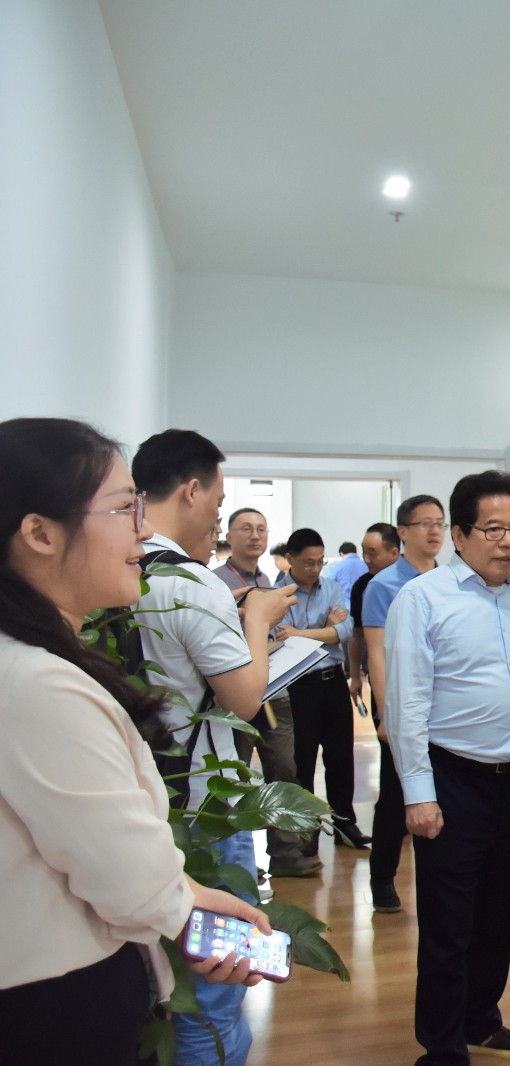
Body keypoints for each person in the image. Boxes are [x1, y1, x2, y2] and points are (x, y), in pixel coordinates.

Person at [0, 418, 275, 1065]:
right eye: (124, 509)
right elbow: (119, 872)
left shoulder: (34, 662)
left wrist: (186, 896)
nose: (143, 531)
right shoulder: (38, 684)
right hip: (54, 1001)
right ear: (40, 533)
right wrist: (180, 906)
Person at [387, 470, 510, 1064]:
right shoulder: (423, 599)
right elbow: (406, 703)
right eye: (493, 529)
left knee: (506, 913)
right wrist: (418, 793)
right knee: (448, 922)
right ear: (459, 535)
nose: (508, 542)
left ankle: (480, 1019)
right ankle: (441, 1047)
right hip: (451, 778)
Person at [133, 428, 297, 1066]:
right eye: (220, 500)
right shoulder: (192, 583)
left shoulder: (125, 574)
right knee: (213, 993)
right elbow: (246, 699)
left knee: (168, 988)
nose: (219, 516)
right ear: (193, 490)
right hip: (205, 804)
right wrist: (255, 619)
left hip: (148, 797)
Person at [214, 507, 314, 877]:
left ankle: (286, 853)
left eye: (261, 529)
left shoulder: (268, 579)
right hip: (236, 690)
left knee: (284, 770)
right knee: (234, 775)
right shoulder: (217, 582)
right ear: (230, 535)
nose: (255, 536)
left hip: (275, 690)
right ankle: (237, 859)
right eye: (246, 528)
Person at [363, 495, 447, 914]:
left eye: (440, 523)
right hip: (402, 706)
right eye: (424, 523)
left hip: (442, 708)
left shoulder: (450, 580)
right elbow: (377, 656)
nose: (434, 531)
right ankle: (382, 877)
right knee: (396, 797)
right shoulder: (383, 586)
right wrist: (387, 714)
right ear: (403, 532)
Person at [278, 527, 366, 850]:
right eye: (308, 563)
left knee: (341, 757)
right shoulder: (278, 594)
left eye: (319, 562)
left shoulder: (330, 587)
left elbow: (344, 631)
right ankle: (307, 832)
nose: (315, 569)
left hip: (333, 682)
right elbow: (282, 640)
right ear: (290, 559)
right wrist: (323, 630)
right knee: (302, 761)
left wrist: (303, 633)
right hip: (298, 687)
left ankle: (345, 826)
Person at [346, 522, 401, 715]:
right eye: (364, 551)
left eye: (373, 553)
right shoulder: (362, 586)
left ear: (394, 553)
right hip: (381, 675)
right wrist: (355, 676)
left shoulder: (415, 581)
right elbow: (357, 635)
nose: (366, 559)